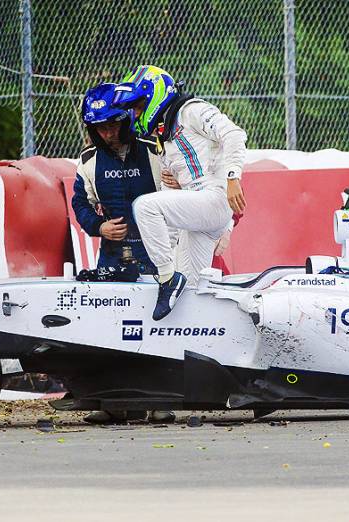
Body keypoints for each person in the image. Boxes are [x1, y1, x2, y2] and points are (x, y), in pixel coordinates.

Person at [72, 83, 174, 425]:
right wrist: (98, 228)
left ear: (126, 120)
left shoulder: (154, 150)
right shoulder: (87, 161)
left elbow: (178, 194)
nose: (108, 132)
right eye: (100, 127)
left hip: (156, 251)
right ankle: (113, 404)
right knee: (109, 324)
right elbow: (79, 204)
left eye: (113, 124)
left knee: (162, 324)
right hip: (113, 254)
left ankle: (161, 401)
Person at [111, 65, 247, 320]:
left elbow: (234, 134)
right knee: (190, 295)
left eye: (138, 106)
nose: (135, 114)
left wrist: (232, 177)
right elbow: (169, 196)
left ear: (154, 96)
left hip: (214, 199)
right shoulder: (162, 137)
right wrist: (170, 247)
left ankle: (166, 278)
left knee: (145, 206)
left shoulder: (191, 110)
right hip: (198, 217)